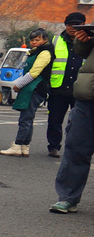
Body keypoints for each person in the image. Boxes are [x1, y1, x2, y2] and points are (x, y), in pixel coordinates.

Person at [50, 24, 94, 213]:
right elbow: (84, 54)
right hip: (87, 97)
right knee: (76, 146)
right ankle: (68, 197)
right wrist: (82, 41)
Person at [0, 28, 54, 157]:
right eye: (32, 40)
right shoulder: (37, 51)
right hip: (33, 88)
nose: (34, 42)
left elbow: (34, 73)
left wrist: (18, 84)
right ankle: (24, 147)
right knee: (28, 119)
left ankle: (17, 146)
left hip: (34, 88)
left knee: (25, 119)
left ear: (45, 40)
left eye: (37, 40)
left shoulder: (45, 52)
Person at [45, 12, 89, 157]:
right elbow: (48, 63)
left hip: (79, 89)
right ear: (65, 25)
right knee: (54, 121)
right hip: (58, 88)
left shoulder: (89, 41)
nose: (73, 28)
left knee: (78, 123)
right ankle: (54, 146)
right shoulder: (55, 40)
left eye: (77, 25)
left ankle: (74, 148)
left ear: (84, 26)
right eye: (70, 24)